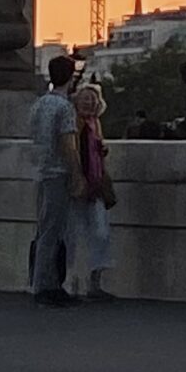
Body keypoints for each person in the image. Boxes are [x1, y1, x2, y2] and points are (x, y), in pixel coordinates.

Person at [29, 53, 80, 307]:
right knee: (54, 230)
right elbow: (68, 144)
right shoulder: (64, 107)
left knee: (44, 229)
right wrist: (77, 173)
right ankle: (45, 285)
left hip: (40, 170)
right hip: (58, 173)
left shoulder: (39, 105)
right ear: (70, 78)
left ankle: (42, 282)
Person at [67, 82, 117, 300]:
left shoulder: (94, 124)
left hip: (95, 186)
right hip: (80, 185)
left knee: (101, 233)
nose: (89, 102)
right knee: (75, 234)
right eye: (85, 99)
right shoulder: (75, 124)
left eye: (92, 99)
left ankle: (93, 280)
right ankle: (74, 281)